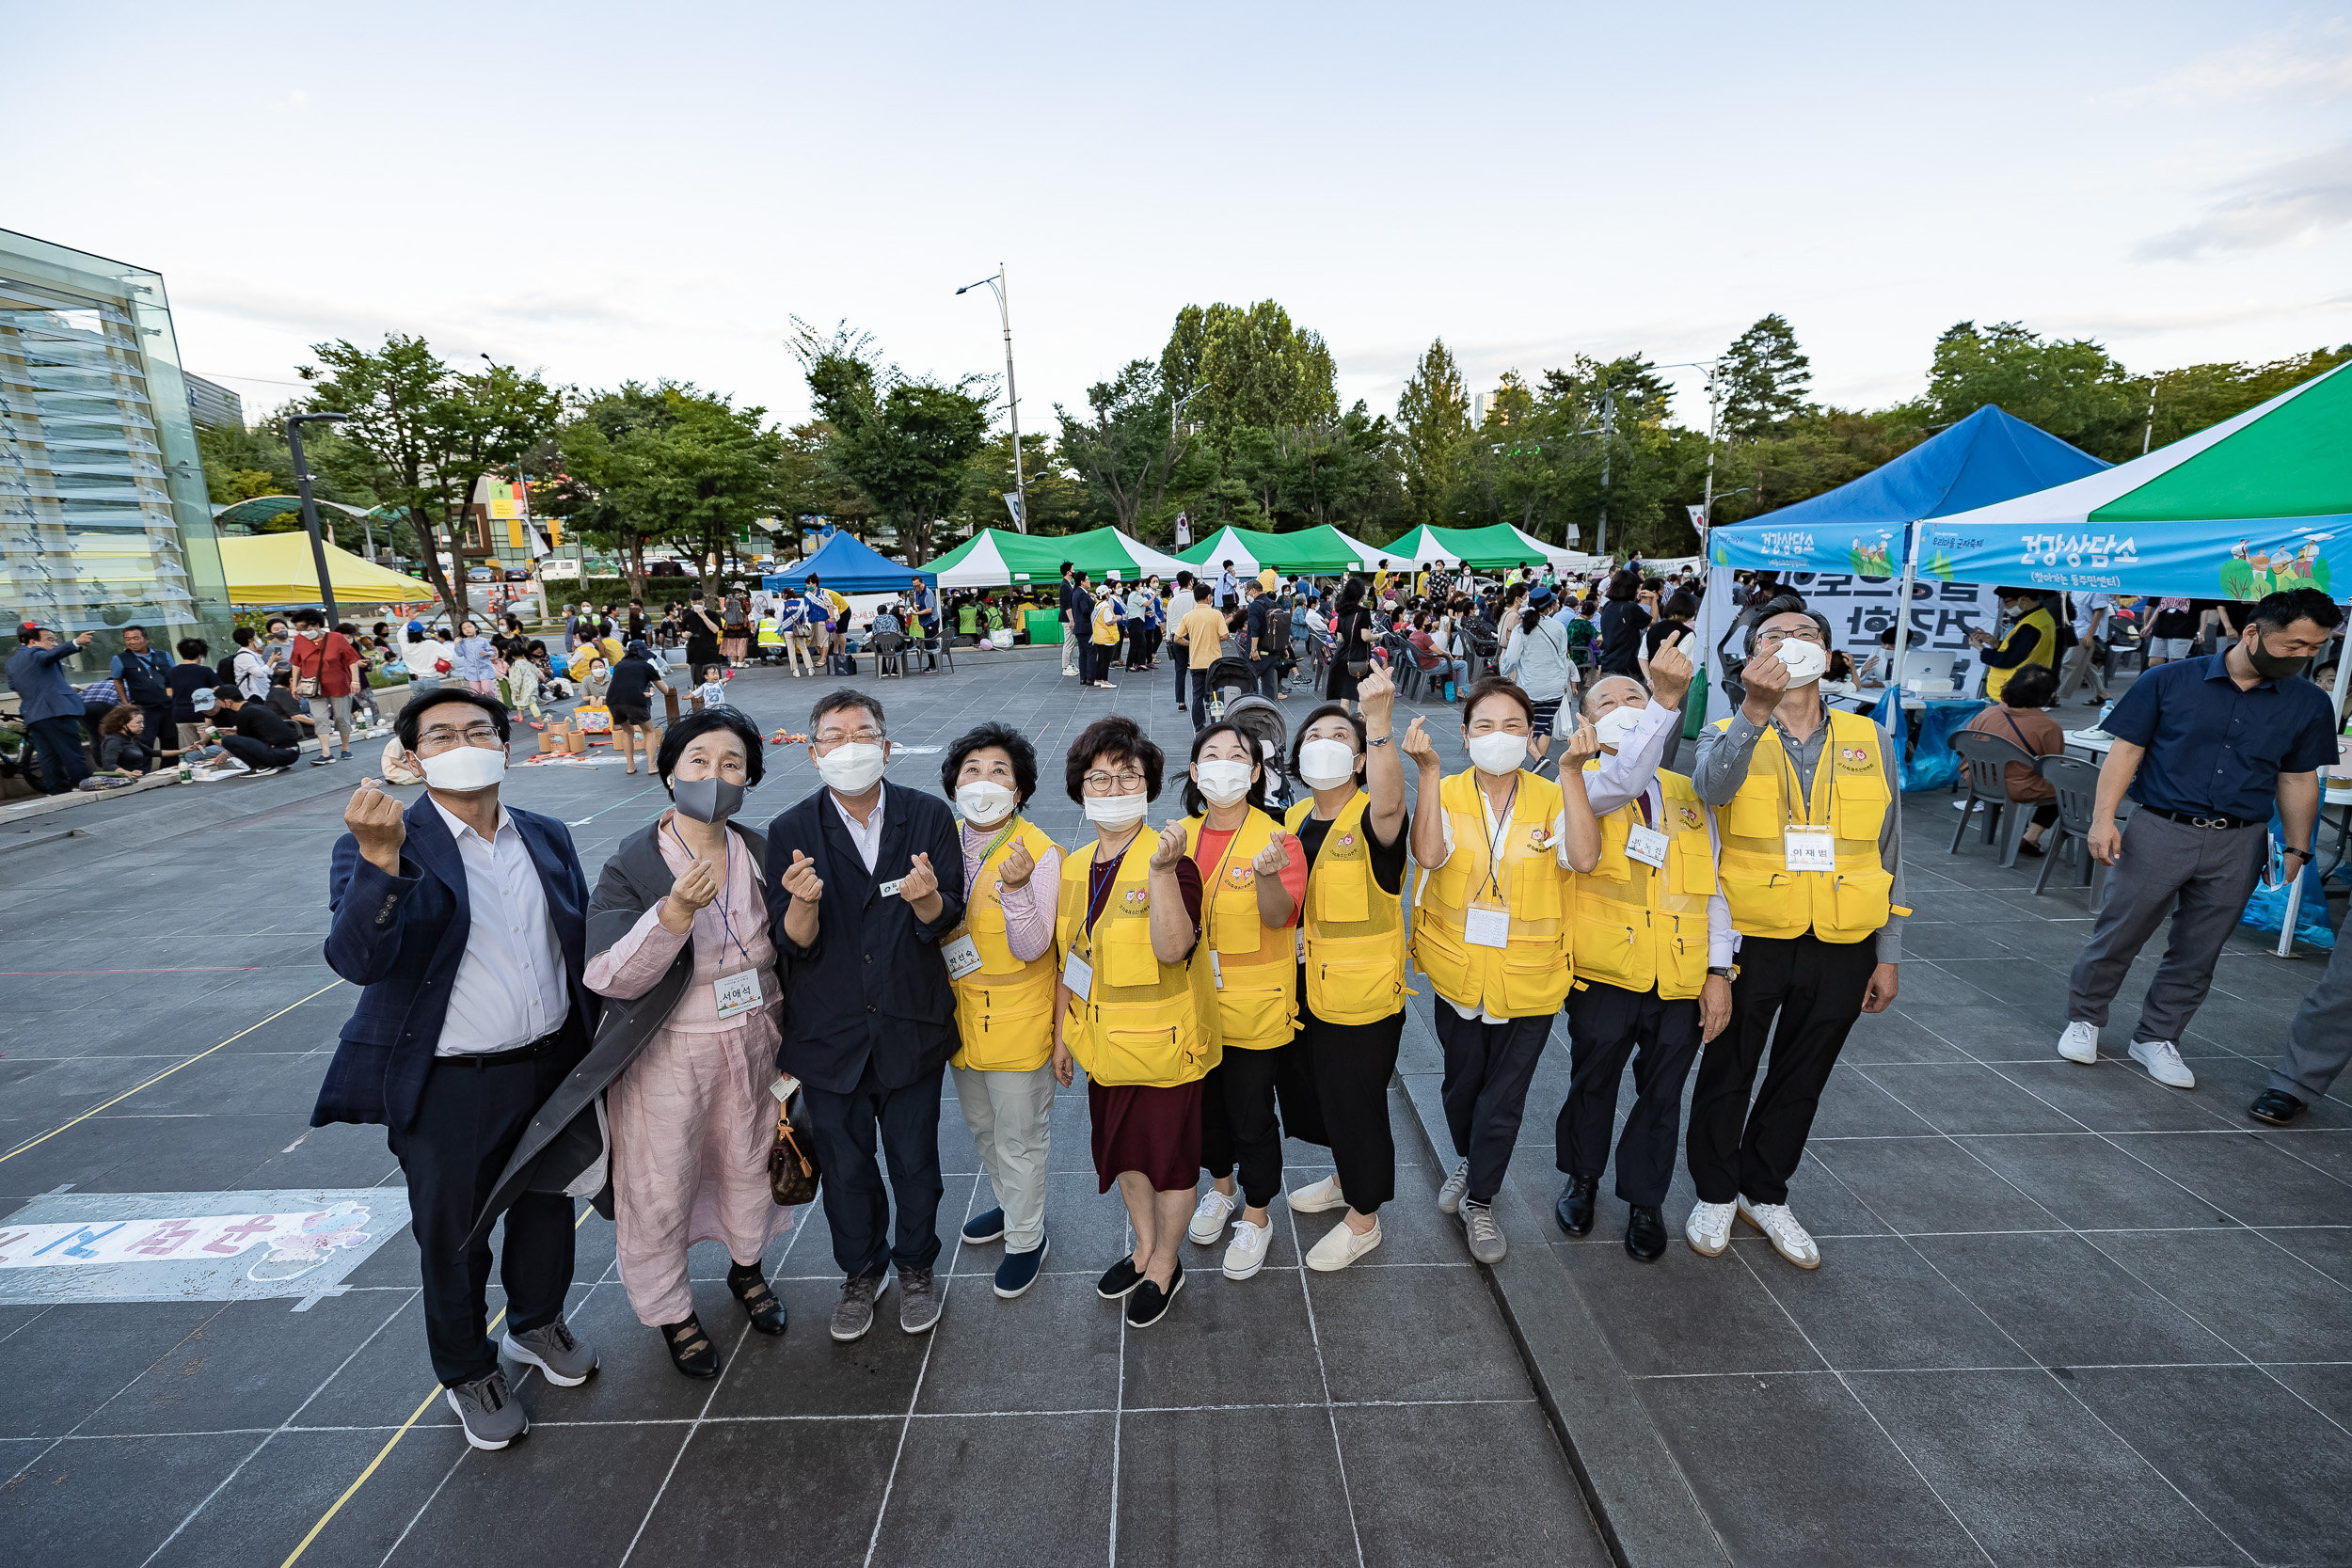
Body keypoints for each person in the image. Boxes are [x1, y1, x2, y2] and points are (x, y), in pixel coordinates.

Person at [315, 689, 601, 1450]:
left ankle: (535, 1323)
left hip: (550, 1066)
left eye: (479, 730)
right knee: (454, 1236)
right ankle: (468, 1368)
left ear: (506, 747)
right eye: (440, 734)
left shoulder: (544, 834)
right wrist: (380, 860)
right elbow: (356, 958)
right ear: (411, 758)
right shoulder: (384, 841)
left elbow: (574, 944)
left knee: (547, 1208)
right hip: (451, 1081)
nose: (463, 741)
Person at [1687, 608, 1905, 1270]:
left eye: (1806, 635)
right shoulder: (1726, 728)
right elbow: (1708, 790)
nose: (1791, 645)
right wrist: (1755, 711)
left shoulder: (1872, 736)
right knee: (1730, 1064)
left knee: (1804, 1070)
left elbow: (1892, 845)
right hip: (1754, 932)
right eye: (1773, 637)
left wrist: (1888, 952)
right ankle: (1716, 1190)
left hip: (1845, 935)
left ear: (1831, 656)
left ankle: (1766, 1189)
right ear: (1753, 656)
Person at [2058, 588, 2342, 1092]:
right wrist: (2105, 820)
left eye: (2314, 648)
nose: (2304, 656)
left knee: (2200, 949)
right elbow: (2125, 753)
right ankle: (2085, 1019)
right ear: (2253, 632)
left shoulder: (2309, 703)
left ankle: (2158, 1037)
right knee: (2120, 932)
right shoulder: (2167, 680)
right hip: (2160, 828)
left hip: (2241, 841)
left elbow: (2298, 779)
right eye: (2293, 645)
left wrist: (2298, 848)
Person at [581, 707, 788, 1377]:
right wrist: (671, 916)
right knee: (661, 1181)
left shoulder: (760, 851)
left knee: (749, 1160)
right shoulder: (634, 863)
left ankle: (747, 1266)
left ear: (749, 777)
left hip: (754, 1040)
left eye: (732, 763)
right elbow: (609, 975)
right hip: (668, 1053)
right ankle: (672, 1308)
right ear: (670, 771)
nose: (714, 775)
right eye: (698, 760)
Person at [764, 689, 965, 1341]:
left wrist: (929, 899)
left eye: (863, 732)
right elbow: (790, 942)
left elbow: (946, 921)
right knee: (846, 1169)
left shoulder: (929, 816)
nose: (849, 746)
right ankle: (860, 1270)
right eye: (834, 735)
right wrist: (803, 904)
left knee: (915, 1161)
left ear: (886, 744)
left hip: (910, 1025)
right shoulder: (792, 831)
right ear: (814, 751)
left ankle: (915, 1266)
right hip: (829, 1036)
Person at [1403, 677, 1602, 1263]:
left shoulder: (1551, 794)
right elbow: (1429, 856)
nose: (1498, 737)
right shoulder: (1448, 788)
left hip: (1532, 974)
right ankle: (1469, 1161)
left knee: (1506, 1095)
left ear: (1532, 737)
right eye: (1484, 726)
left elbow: (1584, 858)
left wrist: (1569, 774)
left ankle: (1481, 1200)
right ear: (1463, 736)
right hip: (1457, 971)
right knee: (1462, 1084)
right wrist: (1430, 774)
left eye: (1513, 726)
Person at [1552, 637, 1724, 1261]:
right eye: (1610, 701)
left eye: (1637, 695)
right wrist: (1664, 700)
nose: (1627, 705)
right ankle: (1583, 1175)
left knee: (1663, 1090)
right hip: (1606, 969)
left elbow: (1715, 886)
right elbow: (1624, 780)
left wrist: (1718, 968)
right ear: (1586, 722)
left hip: (1677, 971)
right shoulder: (1582, 785)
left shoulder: (1688, 792)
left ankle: (1645, 1198)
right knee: (1592, 1080)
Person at [1050, 715, 1217, 1328]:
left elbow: (1175, 948)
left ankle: (1165, 1264)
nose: (1113, 788)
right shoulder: (1076, 865)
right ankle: (1142, 1246)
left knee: (1169, 1164)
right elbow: (1072, 954)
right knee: (1125, 1156)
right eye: (1100, 777)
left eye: (1128, 777)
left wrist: (1158, 875)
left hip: (1165, 1049)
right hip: (1105, 1049)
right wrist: (1060, 1032)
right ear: (1081, 787)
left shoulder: (1171, 860)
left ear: (1147, 787)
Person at [1279, 668, 1411, 1270]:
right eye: (1313, 737)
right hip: (1305, 988)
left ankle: (1364, 1220)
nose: (1324, 744)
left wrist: (1378, 724)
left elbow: (1391, 803)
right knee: (1324, 1097)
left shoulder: (1370, 817)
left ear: (1360, 759)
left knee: (1357, 1103)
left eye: (1340, 737)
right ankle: (1343, 1176)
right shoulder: (1296, 817)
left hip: (1360, 997)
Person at [1174, 721, 1306, 1280]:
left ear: (1254, 774)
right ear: (1196, 772)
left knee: (1251, 1113)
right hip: (1191, 1006)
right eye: (1211, 755)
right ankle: (1221, 1189)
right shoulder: (1175, 837)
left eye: (1237, 756)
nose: (1223, 765)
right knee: (1205, 1110)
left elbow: (1280, 917)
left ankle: (1256, 1212)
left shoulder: (1278, 840)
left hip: (1255, 1007)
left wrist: (1267, 879)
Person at [937, 722, 1064, 1298]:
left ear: (1019, 790)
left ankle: (1027, 1237)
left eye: (998, 772)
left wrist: (1015, 892)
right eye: (971, 770)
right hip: (961, 1016)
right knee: (983, 1128)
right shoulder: (942, 842)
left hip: (1019, 1016)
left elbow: (1035, 945)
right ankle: (1012, 1206)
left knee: (1020, 1135)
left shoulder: (1039, 852)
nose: (982, 781)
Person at [1959, 664, 2065, 853]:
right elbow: (2052, 766)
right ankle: (2031, 837)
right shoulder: (2047, 726)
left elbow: (1962, 746)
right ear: (2047, 695)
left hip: (1978, 780)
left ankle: (2019, 834)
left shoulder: (1987, 713)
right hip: (2018, 788)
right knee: (2066, 789)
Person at [9, 623, 97, 794]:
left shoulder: (12, 662)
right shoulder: (36, 653)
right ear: (32, 642)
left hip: (34, 715)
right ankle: (86, 784)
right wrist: (75, 642)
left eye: (56, 640)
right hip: (56, 712)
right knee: (71, 753)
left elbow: (19, 689)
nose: (55, 644)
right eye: (50, 640)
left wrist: (61, 689)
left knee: (48, 757)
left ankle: (58, 791)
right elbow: (49, 657)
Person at [287, 610, 364, 766]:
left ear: (315, 625)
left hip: (338, 684)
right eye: (298, 628)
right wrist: (295, 684)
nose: (300, 631)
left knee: (342, 717)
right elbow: (296, 663)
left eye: (303, 627)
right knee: (320, 718)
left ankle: (345, 747)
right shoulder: (299, 640)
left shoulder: (336, 638)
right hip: (313, 687)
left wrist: (355, 681)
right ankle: (326, 753)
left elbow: (352, 660)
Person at [1500, 586, 1575, 739]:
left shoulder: (1521, 629)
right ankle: (1539, 759)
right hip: (1555, 688)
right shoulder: (1558, 627)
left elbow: (1512, 659)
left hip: (1529, 687)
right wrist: (1565, 683)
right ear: (1549, 606)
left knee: (1528, 725)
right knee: (1545, 725)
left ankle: (1537, 759)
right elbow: (1563, 657)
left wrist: (1503, 673)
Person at [1964, 587, 2058, 700]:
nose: (2005, 607)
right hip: (2027, 685)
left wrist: (1981, 648)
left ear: (2023, 599)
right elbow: (2024, 649)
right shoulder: (2042, 617)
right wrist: (1995, 643)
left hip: (2012, 690)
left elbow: (2007, 660)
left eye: (2007, 601)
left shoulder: (2029, 626)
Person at [108, 625, 176, 754]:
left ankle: (171, 769)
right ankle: (143, 771)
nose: (132, 642)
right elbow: (118, 681)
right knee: (144, 741)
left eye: (136, 638)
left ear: (146, 639)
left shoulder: (163, 655)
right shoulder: (120, 659)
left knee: (171, 740)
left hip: (168, 706)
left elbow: (174, 676)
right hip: (143, 709)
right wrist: (125, 703)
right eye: (127, 639)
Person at [208, 685, 305, 776]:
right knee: (233, 739)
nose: (218, 703)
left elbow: (245, 742)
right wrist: (236, 731)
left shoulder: (243, 713)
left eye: (218, 700)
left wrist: (222, 743)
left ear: (227, 702)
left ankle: (261, 767)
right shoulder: (258, 707)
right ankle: (267, 765)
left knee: (227, 740)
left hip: (279, 755)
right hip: (292, 753)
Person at [607, 641, 671, 777]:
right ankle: (651, 766)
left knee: (627, 731)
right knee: (648, 731)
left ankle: (630, 766)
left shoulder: (619, 665)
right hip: (634, 699)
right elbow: (665, 690)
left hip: (613, 700)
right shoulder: (646, 666)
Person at [1173, 584, 1229, 728]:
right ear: (1209, 597)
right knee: (1217, 694)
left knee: (1197, 695)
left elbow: (1177, 639)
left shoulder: (1188, 616)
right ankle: (1218, 723)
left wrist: (1190, 644)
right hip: (1215, 662)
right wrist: (1214, 638)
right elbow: (1224, 636)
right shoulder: (1216, 614)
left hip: (1196, 662)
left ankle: (1199, 728)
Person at [1326, 578, 1377, 713]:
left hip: (1342, 656)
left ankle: (1345, 720)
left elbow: (1340, 638)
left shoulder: (1342, 612)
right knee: (1361, 693)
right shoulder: (1363, 612)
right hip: (1358, 656)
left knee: (1345, 694)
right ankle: (1359, 722)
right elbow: (1365, 637)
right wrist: (1377, 636)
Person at [2055, 591, 2115, 706]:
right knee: (2086, 665)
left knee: (2069, 663)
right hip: (2074, 629)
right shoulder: (2075, 588)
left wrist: (2090, 634)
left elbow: (2099, 611)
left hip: (2085, 631)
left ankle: (2055, 695)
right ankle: (2102, 693)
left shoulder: (2095, 589)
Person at [166, 638, 216, 755]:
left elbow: (169, 693)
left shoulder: (171, 672)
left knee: (189, 750)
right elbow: (217, 691)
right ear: (200, 655)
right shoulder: (205, 671)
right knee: (209, 748)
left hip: (180, 715)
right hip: (203, 714)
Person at [1596, 568, 1649, 678]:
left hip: (1608, 662)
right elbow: (1652, 622)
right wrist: (1653, 599)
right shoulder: (1631, 608)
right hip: (1628, 665)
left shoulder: (1607, 606)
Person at [2140, 596, 2209, 668]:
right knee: (2154, 662)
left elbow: (2204, 610)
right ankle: (2164, 678)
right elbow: (2160, 607)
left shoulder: (2195, 590)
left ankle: (2172, 678)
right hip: (2161, 630)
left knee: (2174, 663)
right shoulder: (2168, 588)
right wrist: (2149, 625)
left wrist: (2202, 632)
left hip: (2183, 630)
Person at [1088, 580, 1122, 689]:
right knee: (1105, 660)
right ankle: (1105, 681)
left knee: (1101, 659)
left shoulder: (1098, 605)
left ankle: (1098, 679)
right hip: (1107, 637)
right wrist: (1117, 618)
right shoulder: (1106, 607)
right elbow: (1108, 621)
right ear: (1106, 594)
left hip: (1099, 636)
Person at [683, 591, 725, 677]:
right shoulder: (687, 616)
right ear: (690, 601)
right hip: (694, 652)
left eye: (699, 603)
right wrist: (685, 634)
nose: (697, 605)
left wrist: (703, 616)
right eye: (694, 603)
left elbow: (715, 630)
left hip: (710, 651)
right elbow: (682, 631)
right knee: (697, 681)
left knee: (714, 679)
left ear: (704, 600)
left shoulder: (713, 614)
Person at [1057, 561, 1082, 678]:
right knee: (1068, 643)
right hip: (1067, 619)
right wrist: (1071, 620)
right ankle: (1066, 666)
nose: (1074, 571)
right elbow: (1067, 605)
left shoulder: (1068, 585)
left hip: (1069, 618)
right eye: (1073, 569)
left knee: (1071, 643)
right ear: (1068, 572)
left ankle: (1070, 664)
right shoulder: (1065, 586)